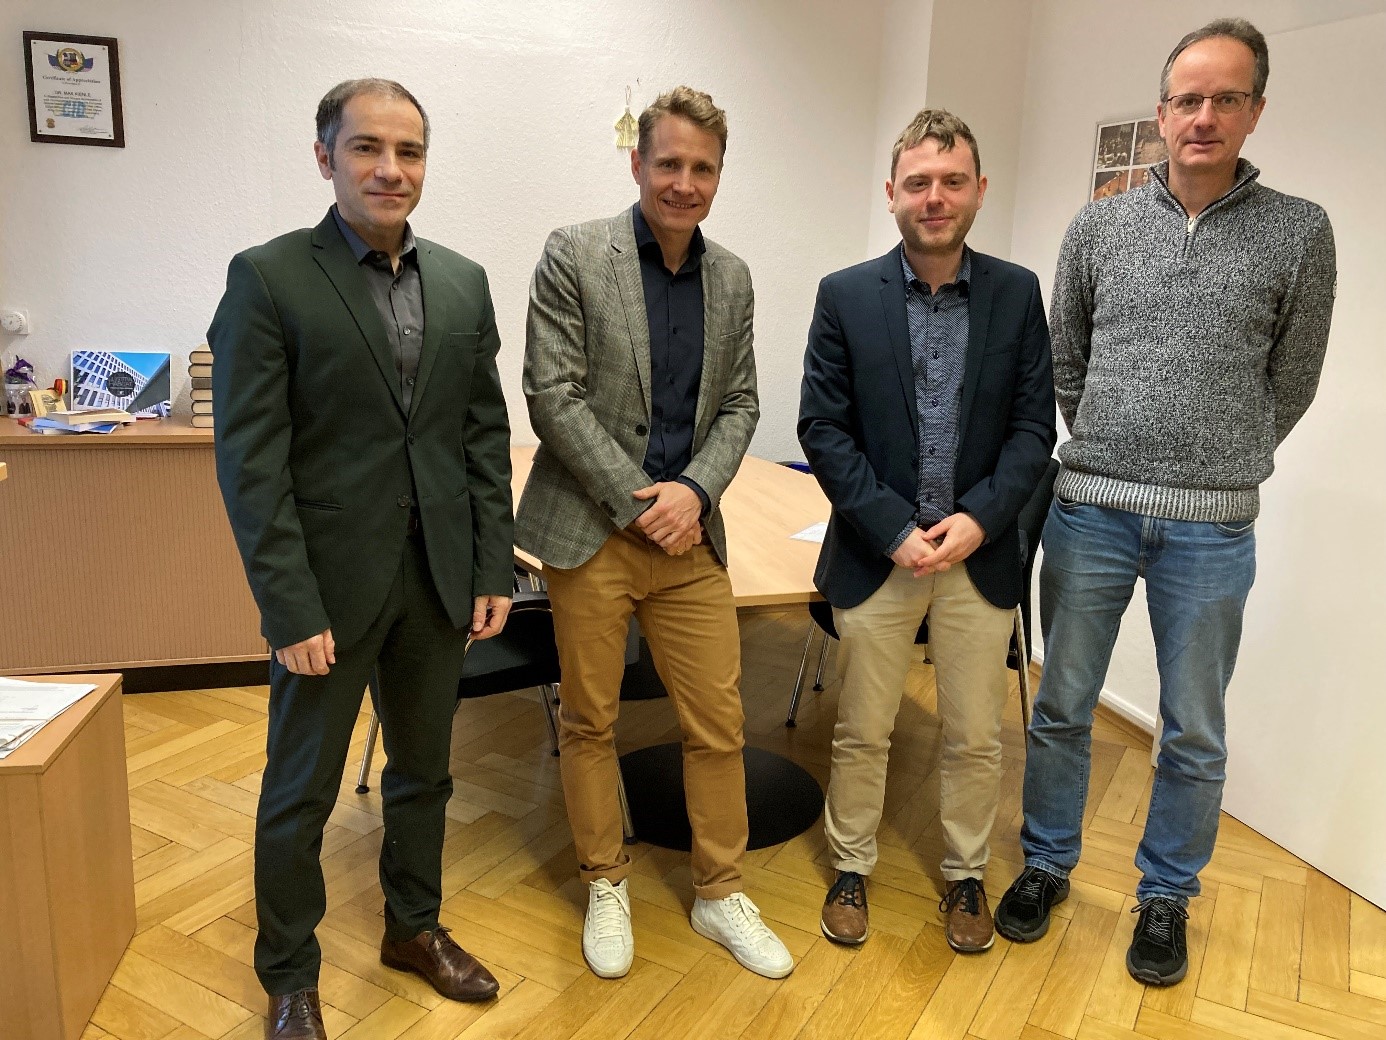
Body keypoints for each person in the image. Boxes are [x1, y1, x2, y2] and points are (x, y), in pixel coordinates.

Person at [995, 18, 1336, 987]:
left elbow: (1295, 377)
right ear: (1161, 111)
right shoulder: (1097, 226)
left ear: (1255, 110)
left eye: (1227, 98)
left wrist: (1225, 458)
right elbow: (1066, 357)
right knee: (1063, 703)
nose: (1204, 116)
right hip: (1091, 509)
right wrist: (1112, 444)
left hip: (1212, 526)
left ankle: (1166, 896)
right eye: (1188, 99)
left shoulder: (1300, 231)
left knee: (1191, 727)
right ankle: (1047, 862)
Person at [209, 78, 515, 1040]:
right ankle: (289, 973)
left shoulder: (463, 281)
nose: (391, 169)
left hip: (438, 580)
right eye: (366, 148)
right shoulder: (268, 278)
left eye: (409, 151)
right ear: (325, 157)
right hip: (327, 590)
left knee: (426, 773)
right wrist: (288, 605)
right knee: (300, 790)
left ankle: (413, 927)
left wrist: (491, 567)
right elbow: (251, 462)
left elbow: (481, 435)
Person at [515, 85, 793, 981]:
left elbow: (742, 402)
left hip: (690, 541)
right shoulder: (574, 253)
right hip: (593, 532)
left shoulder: (733, 277)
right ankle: (606, 879)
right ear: (637, 162)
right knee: (590, 720)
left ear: (719, 174)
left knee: (718, 723)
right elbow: (551, 394)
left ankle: (719, 891)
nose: (684, 182)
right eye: (668, 162)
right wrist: (642, 502)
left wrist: (695, 492)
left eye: (702, 167)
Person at [799, 109, 1057, 954]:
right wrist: (890, 528)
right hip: (880, 556)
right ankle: (850, 864)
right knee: (862, 728)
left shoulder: (1017, 294)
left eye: (951, 181)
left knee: (976, 737)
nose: (934, 197)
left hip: (978, 558)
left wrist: (978, 520)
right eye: (918, 182)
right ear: (892, 194)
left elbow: (1033, 432)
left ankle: (966, 874)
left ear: (980, 190)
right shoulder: (845, 295)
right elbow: (823, 428)